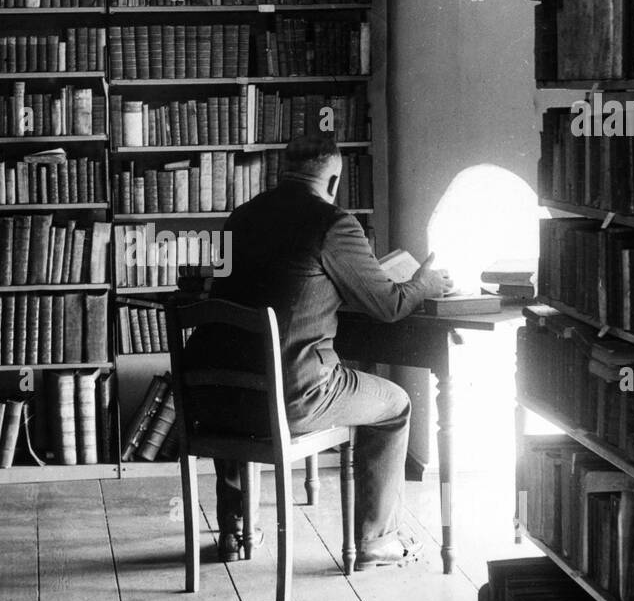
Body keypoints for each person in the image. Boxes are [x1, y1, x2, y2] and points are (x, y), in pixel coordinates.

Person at [181, 133, 452, 568]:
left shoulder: (240, 218)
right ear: (333, 180)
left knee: (242, 370)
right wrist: (425, 284)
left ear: (282, 171)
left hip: (215, 401)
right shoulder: (334, 223)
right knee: (397, 405)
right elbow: (388, 305)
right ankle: (376, 540)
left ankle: (234, 532)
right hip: (291, 401)